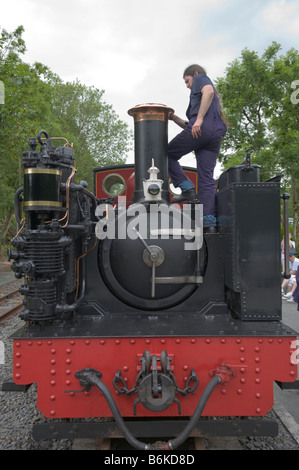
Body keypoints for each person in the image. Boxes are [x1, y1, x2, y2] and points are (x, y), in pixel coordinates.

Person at [168, 64, 228, 229]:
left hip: (203, 129)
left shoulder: (201, 78)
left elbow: (207, 92)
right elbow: (190, 126)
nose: (187, 86)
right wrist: (173, 118)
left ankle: (186, 188)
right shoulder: (212, 106)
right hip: (214, 134)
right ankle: (209, 222)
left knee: (166, 154)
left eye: (187, 81)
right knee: (207, 178)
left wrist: (199, 119)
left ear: (194, 74)